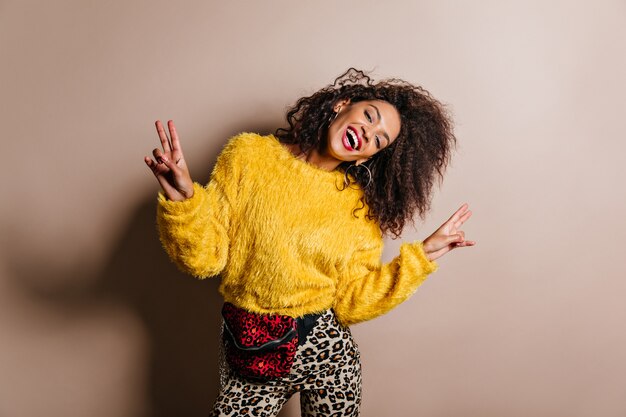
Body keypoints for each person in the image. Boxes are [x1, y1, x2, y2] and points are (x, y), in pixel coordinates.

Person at [144, 68, 475, 416]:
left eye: (378, 140)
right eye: (369, 116)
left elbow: (351, 303)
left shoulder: (360, 212)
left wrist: (422, 258)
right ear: (342, 105)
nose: (367, 133)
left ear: (365, 157)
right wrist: (184, 201)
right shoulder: (247, 156)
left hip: (326, 354)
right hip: (252, 350)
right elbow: (205, 259)